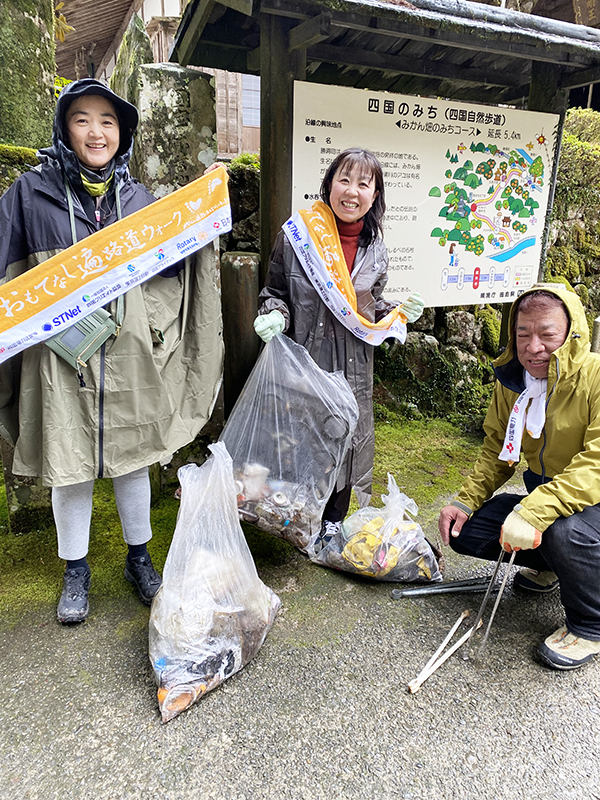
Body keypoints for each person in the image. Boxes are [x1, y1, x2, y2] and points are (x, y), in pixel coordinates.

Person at [0, 79, 217, 624]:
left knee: (133, 458)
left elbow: (172, 279)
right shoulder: (30, 194)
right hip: (59, 357)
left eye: (108, 122)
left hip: (125, 355)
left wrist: (205, 211)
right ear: (63, 128)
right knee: (67, 463)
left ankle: (139, 558)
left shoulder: (140, 202)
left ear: (123, 134)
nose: (96, 132)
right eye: (82, 119)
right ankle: (76, 569)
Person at [254, 148, 424, 551]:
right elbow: (274, 290)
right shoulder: (297, 236)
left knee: (347, 443)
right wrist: (274, 313)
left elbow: (370, 306)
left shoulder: (376, 247)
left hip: (353, 365)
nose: (352, 191)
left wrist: (397, 312)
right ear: (329, 184)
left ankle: (332, 521)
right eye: (344, 180)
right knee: (299, 441)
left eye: (363, 184)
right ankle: (294, 518)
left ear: (375, 193)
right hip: (306, 361)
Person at [438, 285, 600, 670]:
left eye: (547, 334)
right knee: (471, 529)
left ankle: (591, 624)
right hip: (547, 495)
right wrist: (464, 501)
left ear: (570, 335)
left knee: (566, 532)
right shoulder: (514, 381)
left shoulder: (595, 378)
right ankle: (555, 566)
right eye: (523, 333)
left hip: (593, 504)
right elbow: (498, 449)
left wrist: (533, 513)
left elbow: (596, 464)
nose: (533, 347)